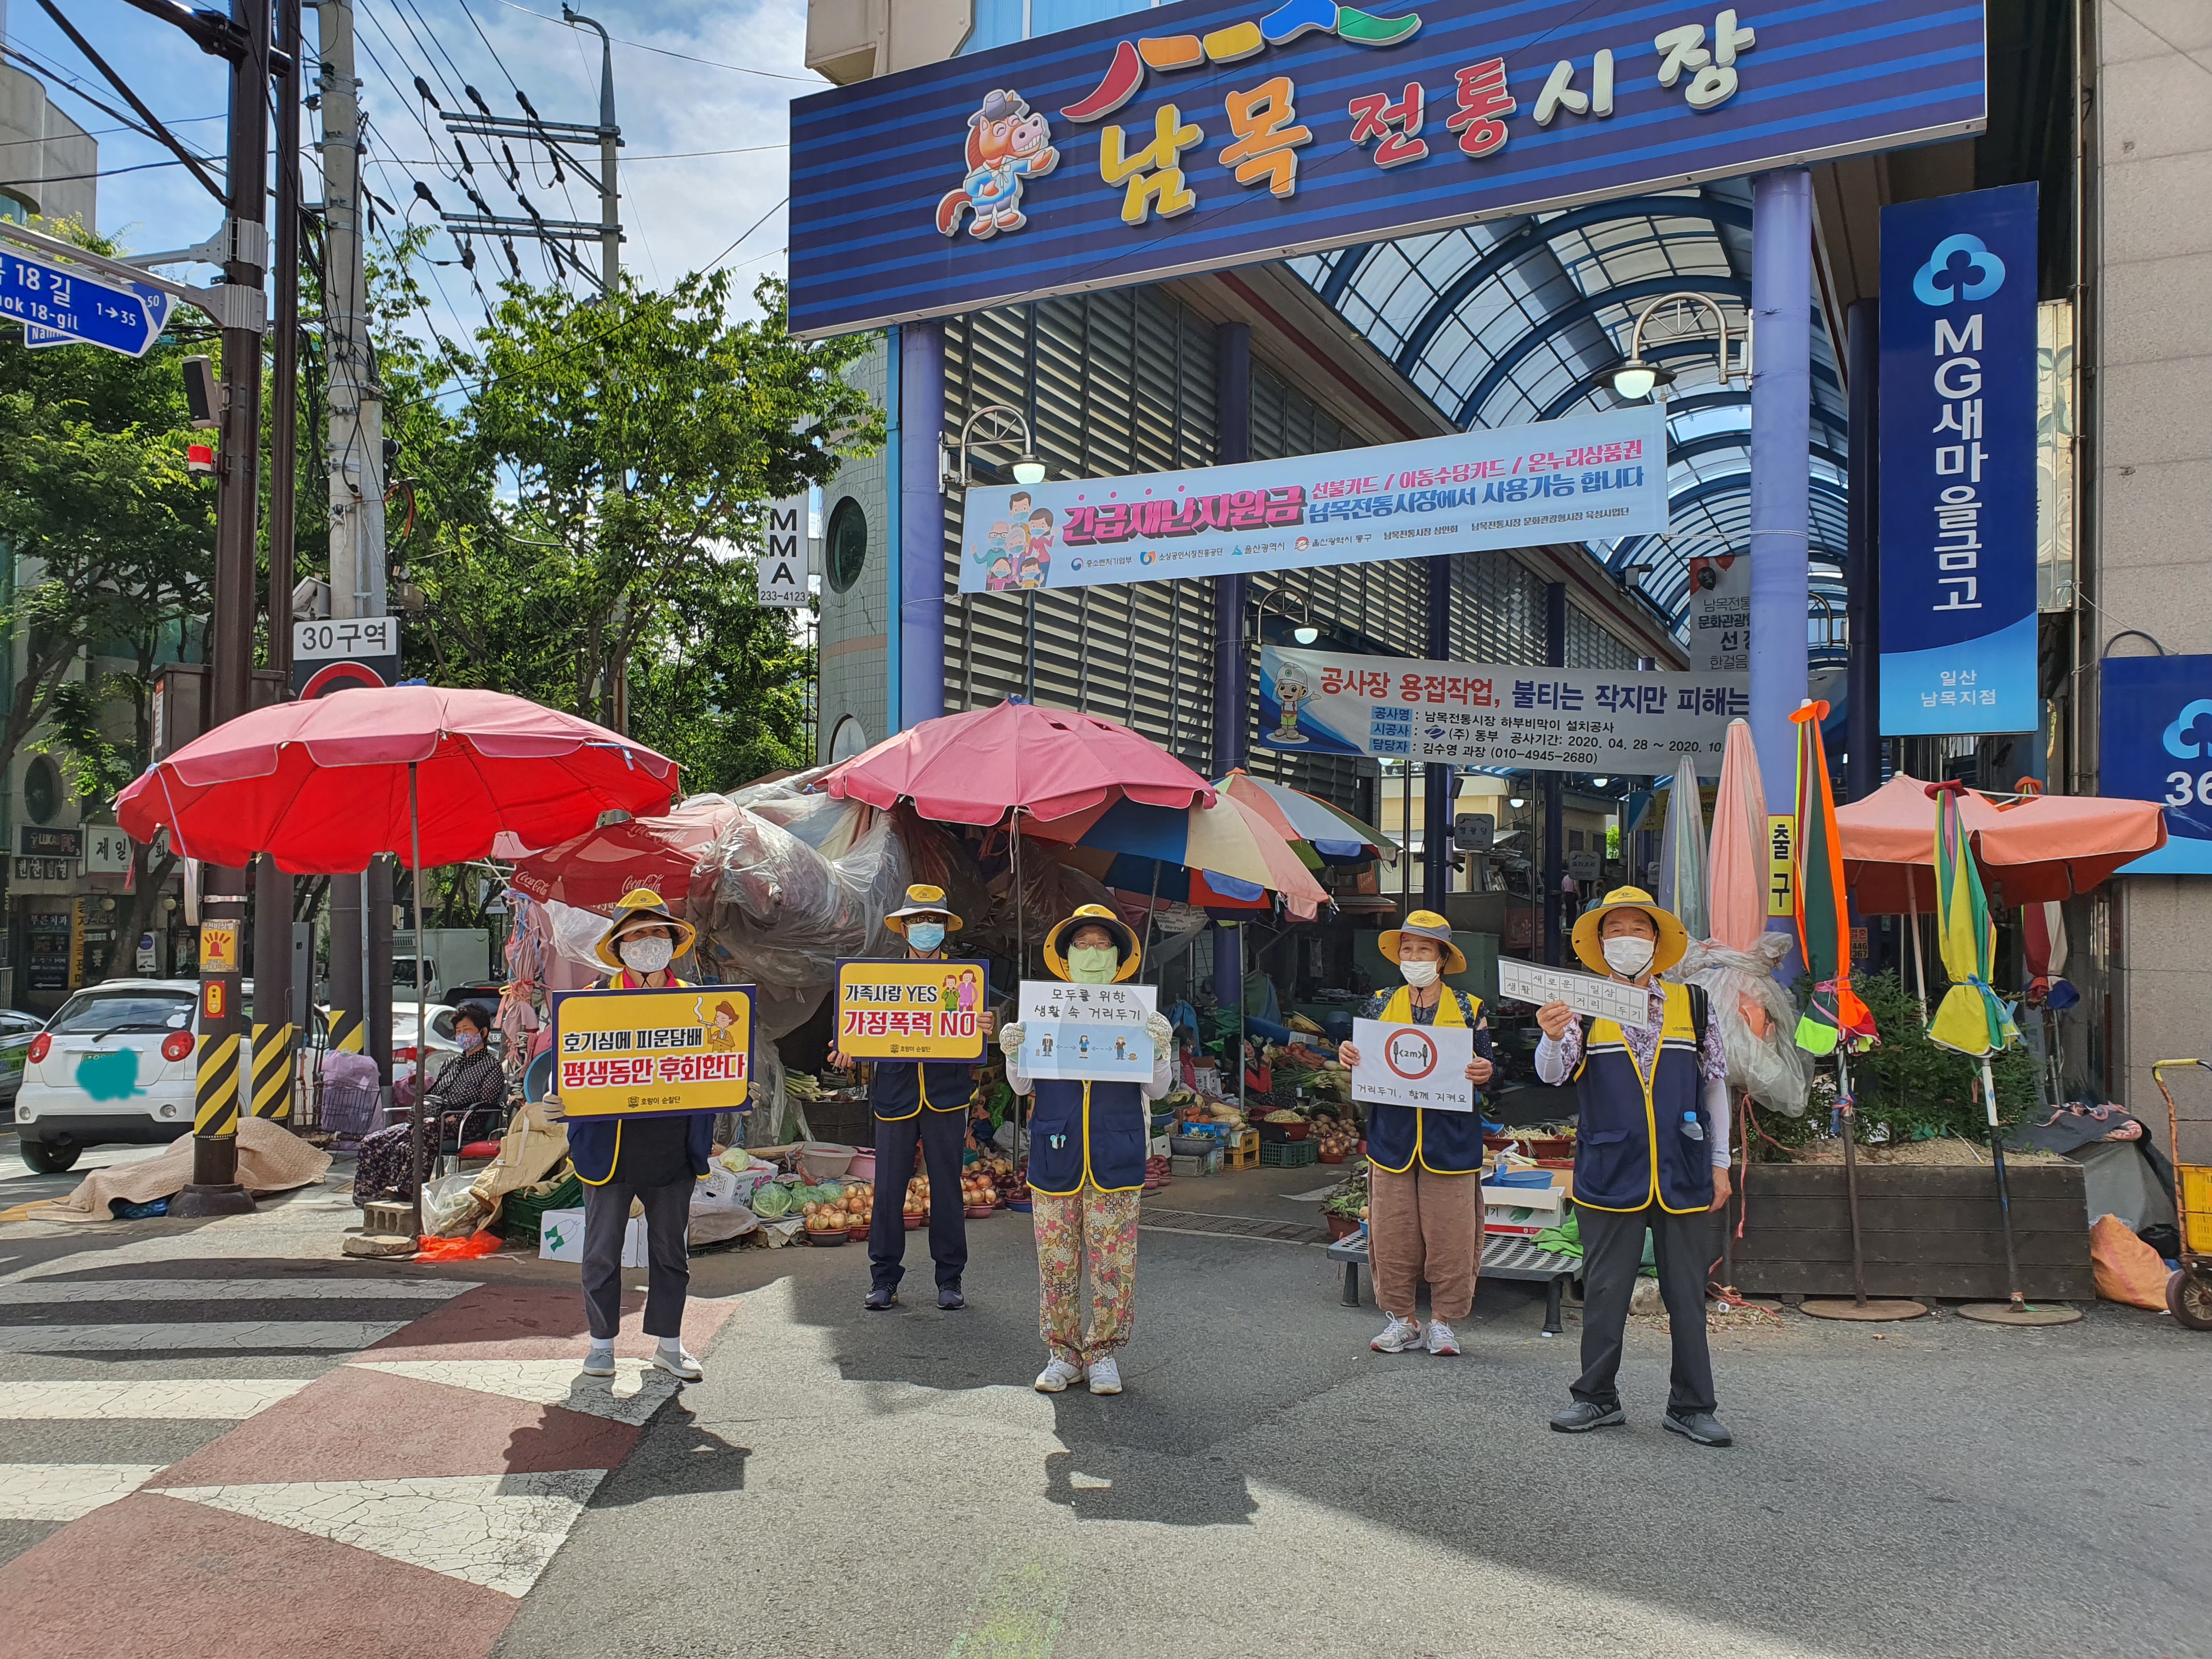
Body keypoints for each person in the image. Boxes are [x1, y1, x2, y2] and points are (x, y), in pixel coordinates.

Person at [1533, 885, 1733, 1447]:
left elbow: (1714, 1085)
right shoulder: (1580, 1006)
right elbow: (1553, 1073)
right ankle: (1596, 1398)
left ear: (1657, 940)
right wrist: (1551, 1036)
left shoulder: (1693, 1004)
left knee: (1687, 1295)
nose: (1627, 939)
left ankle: (1692, 1406)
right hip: (1610, 1168)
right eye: (1615, 930)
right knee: (1604, 1291)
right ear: (1600, 943)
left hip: (1683, 1168)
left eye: (1638, 928)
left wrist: (1721, 1163)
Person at [997, 904, 1174, 1396]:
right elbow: (1022, 1085)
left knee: (1113, 1262)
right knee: (1056, 1262)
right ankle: (1063, 1353)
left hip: (1116, 1154)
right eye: (1082, 945)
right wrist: (1013, 1051)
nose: (1092, 955)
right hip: (1056, 1155)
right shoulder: (1045, 1010)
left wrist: (1161, 1050)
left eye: (1102, 945)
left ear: (1118, 957)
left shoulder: (1135, 1013)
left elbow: (1158, 1090)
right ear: (1066, 956)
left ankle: (1103, 1354)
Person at [553, 889, 715, 1383]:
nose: (648, 942)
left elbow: (718, 1060)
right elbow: (567, 1068)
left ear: (672, 941)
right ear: (620, 947)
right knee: (601, 1251)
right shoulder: (589, 1004)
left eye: (657, 933)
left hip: (674, 1147)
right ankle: (601, 1345)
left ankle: (669, 1345)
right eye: (637, 934)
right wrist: (556, 1097)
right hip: (607, 1149)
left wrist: (733, 1085)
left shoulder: (699, 1005)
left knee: (672, 1253)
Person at [1335, 911, 1496, 1357]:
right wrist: (1347, 1052)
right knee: (1392, 1233)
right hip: (1393, 1140)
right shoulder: (1380, 1002)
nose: (1414, 957)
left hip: (1452, 1141)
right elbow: (1362, 1056)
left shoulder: (1470, 1008)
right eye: (1407, 949)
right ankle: (1402, 1320)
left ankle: (1442, 1322)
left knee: (1452, 1235)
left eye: (1424, 949)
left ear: (1442, 958)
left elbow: (1490, 1072)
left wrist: (1485, 1072)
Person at [830, 883, 996, 1311]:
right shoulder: (880, 979)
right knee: (887, 1190)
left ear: (945, 928)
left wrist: (986, 1025)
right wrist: (847, 1047)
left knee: (948, 1189)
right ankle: (884, 1279)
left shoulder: (965, 979)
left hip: (947, 1096)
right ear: (903, 929)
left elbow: (978, 1028)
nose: (926, 928)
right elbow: (857, 1025)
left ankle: (950, 1279)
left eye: (934, 921)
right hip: (895, 1094)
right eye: (918, 921)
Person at [350, 1002, 507, 1207]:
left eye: (467, 1030)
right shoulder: (451, 1064)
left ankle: (409, 1189)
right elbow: (434, 1095)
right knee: (374, 1140)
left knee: (425, 1129)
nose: (461, 1035)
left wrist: (454, 1118)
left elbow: (486, 1105)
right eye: (458, 1031)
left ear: (483, 1033)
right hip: (432, 1120)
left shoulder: (491, 1067)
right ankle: (370, 1195)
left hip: (465, 1124)